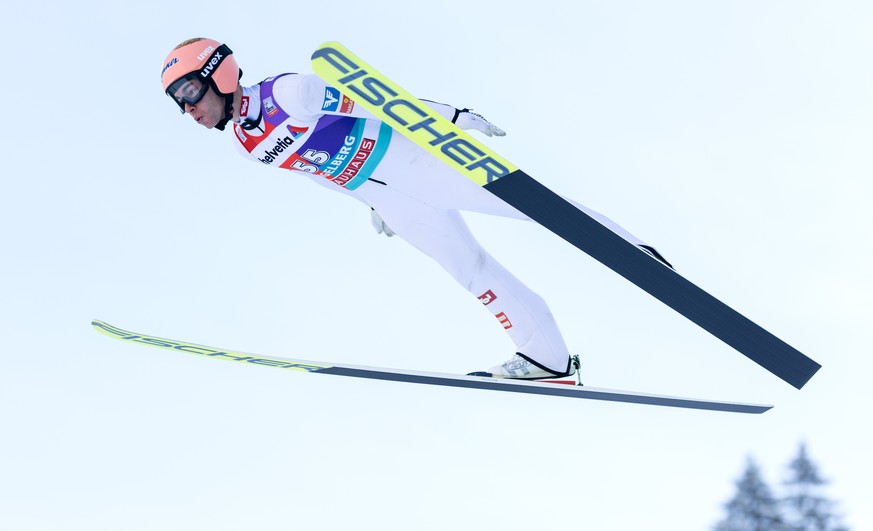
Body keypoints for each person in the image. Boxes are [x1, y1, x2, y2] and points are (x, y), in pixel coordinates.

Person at [160, 38, 670, 380]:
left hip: (411, 161)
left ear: (218, 74)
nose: (189, 108)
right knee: (470, 271)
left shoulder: (289, 91)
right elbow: (315, 171)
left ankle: (633, 251)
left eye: (189, 92)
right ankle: (547, 357)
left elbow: (375, 102)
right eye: (177, 102)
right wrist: (368, 203)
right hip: (386, 194)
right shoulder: (246, 146)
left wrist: (450, 117)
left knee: (534, 209)